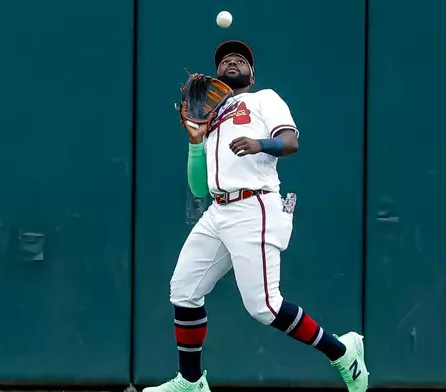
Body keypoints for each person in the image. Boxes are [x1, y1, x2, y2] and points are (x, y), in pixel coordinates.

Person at [143, 40, 368, 392]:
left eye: (240, 59)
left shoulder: (264, 99)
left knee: (264, 307)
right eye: (225, 60)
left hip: (255, 206)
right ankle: (190, 382)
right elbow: (200, 189)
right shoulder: (210, 117)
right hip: (218, 211)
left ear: (251, 74)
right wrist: (196, 142)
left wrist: (259, 143)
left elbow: (290, 142)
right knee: (184, 291)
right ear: (216, 75)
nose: (232, 61)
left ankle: (342, 352)